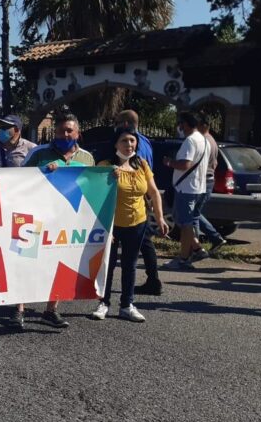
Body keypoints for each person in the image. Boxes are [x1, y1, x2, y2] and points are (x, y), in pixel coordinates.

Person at [22, 112, 95, 328]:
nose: (64, 134)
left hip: (66, 221)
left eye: (69, 131)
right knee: (25, 261)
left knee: (61, 263)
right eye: (61, 130)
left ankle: (51, 309)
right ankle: (20, 309)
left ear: (77, 133)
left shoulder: (87, 158)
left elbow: (92, 187)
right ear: (54, 131)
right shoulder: (39, 153)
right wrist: (43, 172)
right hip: (35, 217)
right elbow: (19, 181)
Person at [90, 127, 169, 323]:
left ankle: (127, 305)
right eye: (124, 141)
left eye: (132, 141)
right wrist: (107, 178)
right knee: (107, 265)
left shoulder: (141, 164)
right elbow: (95, 195)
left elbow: (153, 192)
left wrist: (160, 218)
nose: (129, 145)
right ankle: (103, 303)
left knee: (130, 264)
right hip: (112, 224)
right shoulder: (106, 165)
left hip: (138, 222)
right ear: (116, 144)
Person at [0, 114, 36, 328]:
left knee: (23, 258)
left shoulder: (32, 149)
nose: (1, 130)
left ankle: (19, 308)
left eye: (7, 127)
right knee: (2, 257)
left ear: (18, 130)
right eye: (0, 126)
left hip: (26, 212)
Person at [116, 109, 162, 296]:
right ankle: (153, 279)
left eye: (117, 122)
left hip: (135, 198)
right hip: (141, 196)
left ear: (125, 124)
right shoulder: (146, 141)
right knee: (145, 241)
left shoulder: (131, 144)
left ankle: (153, 279)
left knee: (143, 242)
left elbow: (137, 169)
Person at [163, 111, 210, 270]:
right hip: (198, 188)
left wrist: (169, 162)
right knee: (185, 221)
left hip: (186, 189)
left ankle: (183, 258)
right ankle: (197, 248)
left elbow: (185, 165)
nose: (179, 127)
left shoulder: (190, 141)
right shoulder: (204, 140)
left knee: (185, 224)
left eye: (180, 123)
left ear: (186, 124)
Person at [194, 115, 226, 257]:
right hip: (209, 179)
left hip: (202, 180)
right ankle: (214, 238)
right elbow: (216, 163)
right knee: (195, 213)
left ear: (202, 126)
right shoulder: (212, 140)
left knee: (192, 215)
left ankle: (194, 247)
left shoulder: (203, 141)